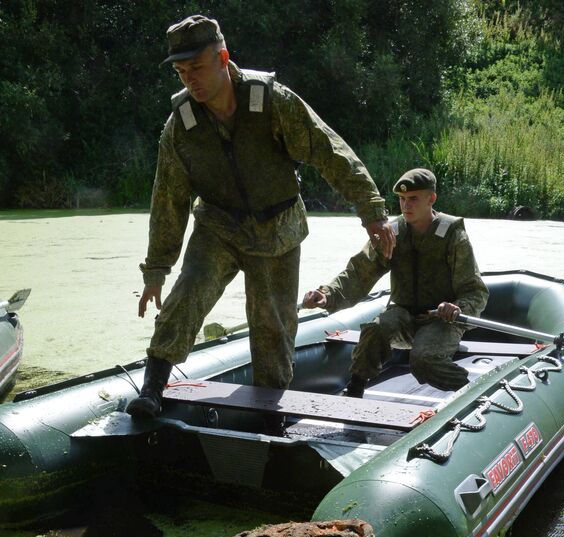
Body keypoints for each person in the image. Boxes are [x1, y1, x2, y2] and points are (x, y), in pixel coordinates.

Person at [128, 14, 396, 421]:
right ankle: (152, 389)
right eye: (182, 72)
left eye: (196, 68)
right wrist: (156, 269)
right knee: (188, 294)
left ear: (223, 58)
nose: (190, 80)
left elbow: (330, 150)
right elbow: (168, 199)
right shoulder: (181, 125)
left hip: (277, 229)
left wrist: (372, 213)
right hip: (218, 225)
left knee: (273, 326)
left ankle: (270, 410)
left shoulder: (271, 102)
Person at [302, 167, 488, 397]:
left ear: (431, 199)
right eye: (401, 199)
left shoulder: (452, 235)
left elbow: (475, 291)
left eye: (413, 199)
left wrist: (458, 309)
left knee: (422, 359)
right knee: (375, 330)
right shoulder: (393, 233)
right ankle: (355, 388)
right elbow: (359, 273)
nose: (405, 205)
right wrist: (327, 295)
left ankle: (469, 392)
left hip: (441, 320)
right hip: (403, 316)